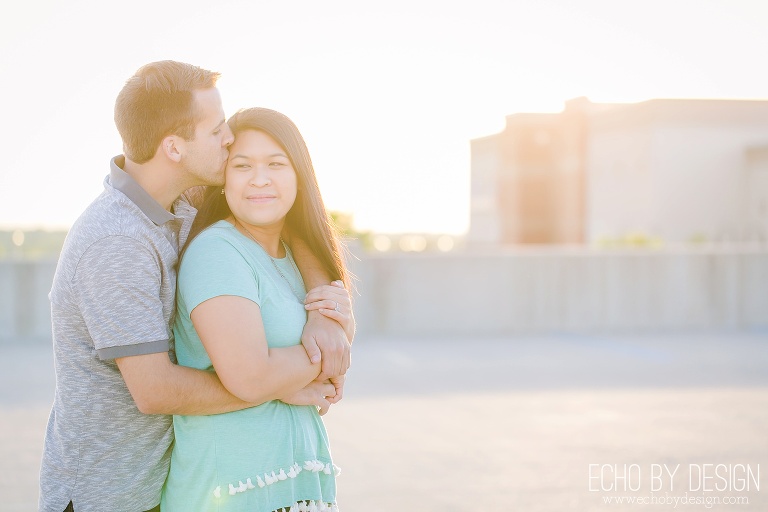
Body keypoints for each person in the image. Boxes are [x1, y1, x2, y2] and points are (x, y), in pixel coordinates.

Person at [40, 61, 354, 512]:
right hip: (110, 494)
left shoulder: (183, 207)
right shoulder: (115, 242)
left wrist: (324, 313)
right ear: (174, 147)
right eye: (216, 130)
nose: (229, 138)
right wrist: (272, 383)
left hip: (163, 481)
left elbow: (288, 222)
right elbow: (156, 392)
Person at [160, 107, 349, 512]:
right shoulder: (218, 252)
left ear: (299, 176)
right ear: (224, 181)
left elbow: (334, 349)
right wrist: (318, 357)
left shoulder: (300, 257)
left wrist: (320, 342)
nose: (259, 179)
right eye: (242, 165)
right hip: (229, 492)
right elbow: (250, 375)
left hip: (295, 484)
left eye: (276, 165)